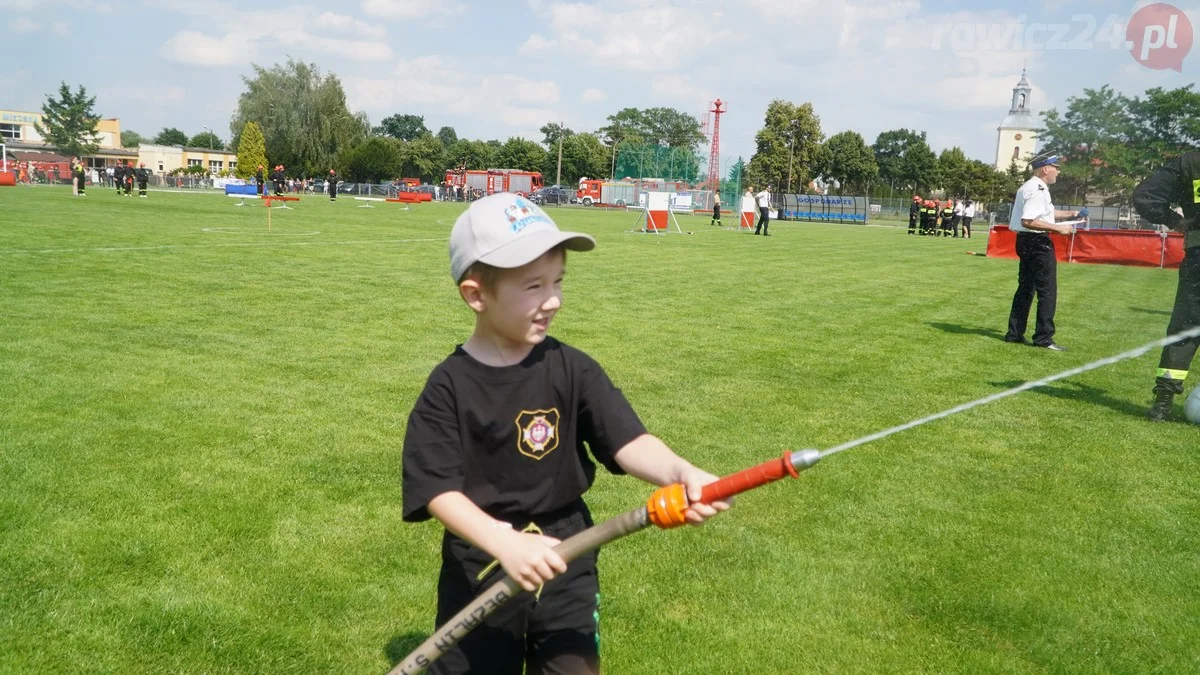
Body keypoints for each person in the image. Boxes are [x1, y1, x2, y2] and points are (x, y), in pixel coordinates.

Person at [402, 193, 731, 675]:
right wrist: (503, 541)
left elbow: (626, 439)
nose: (552, 299)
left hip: (567, 554)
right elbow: (437, 490)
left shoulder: (572, 368)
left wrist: (679, 471)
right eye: (533, 286)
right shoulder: (448, 386)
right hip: (484, 558)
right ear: (476, 295)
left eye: (558, 281)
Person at [1131, 151, 1200, 421]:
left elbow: (1144, 196)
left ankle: (1162, 403)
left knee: (1184, 329)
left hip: (1198, 257)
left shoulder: (1190, 162)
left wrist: (1177, 221)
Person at [1003, 153, 1083, 351]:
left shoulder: (1030, 187)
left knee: (1025, 289)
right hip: (1038, 242)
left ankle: (1014, 333)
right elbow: (1029, 220)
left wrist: (1072, 214)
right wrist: (1059, 229)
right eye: (1056, 166)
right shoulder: (1038, 189)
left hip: (1025, 241)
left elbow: (1044, 214)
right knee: (1047, 291)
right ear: (1046, 168)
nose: (1058, 171)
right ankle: (1044, 338)